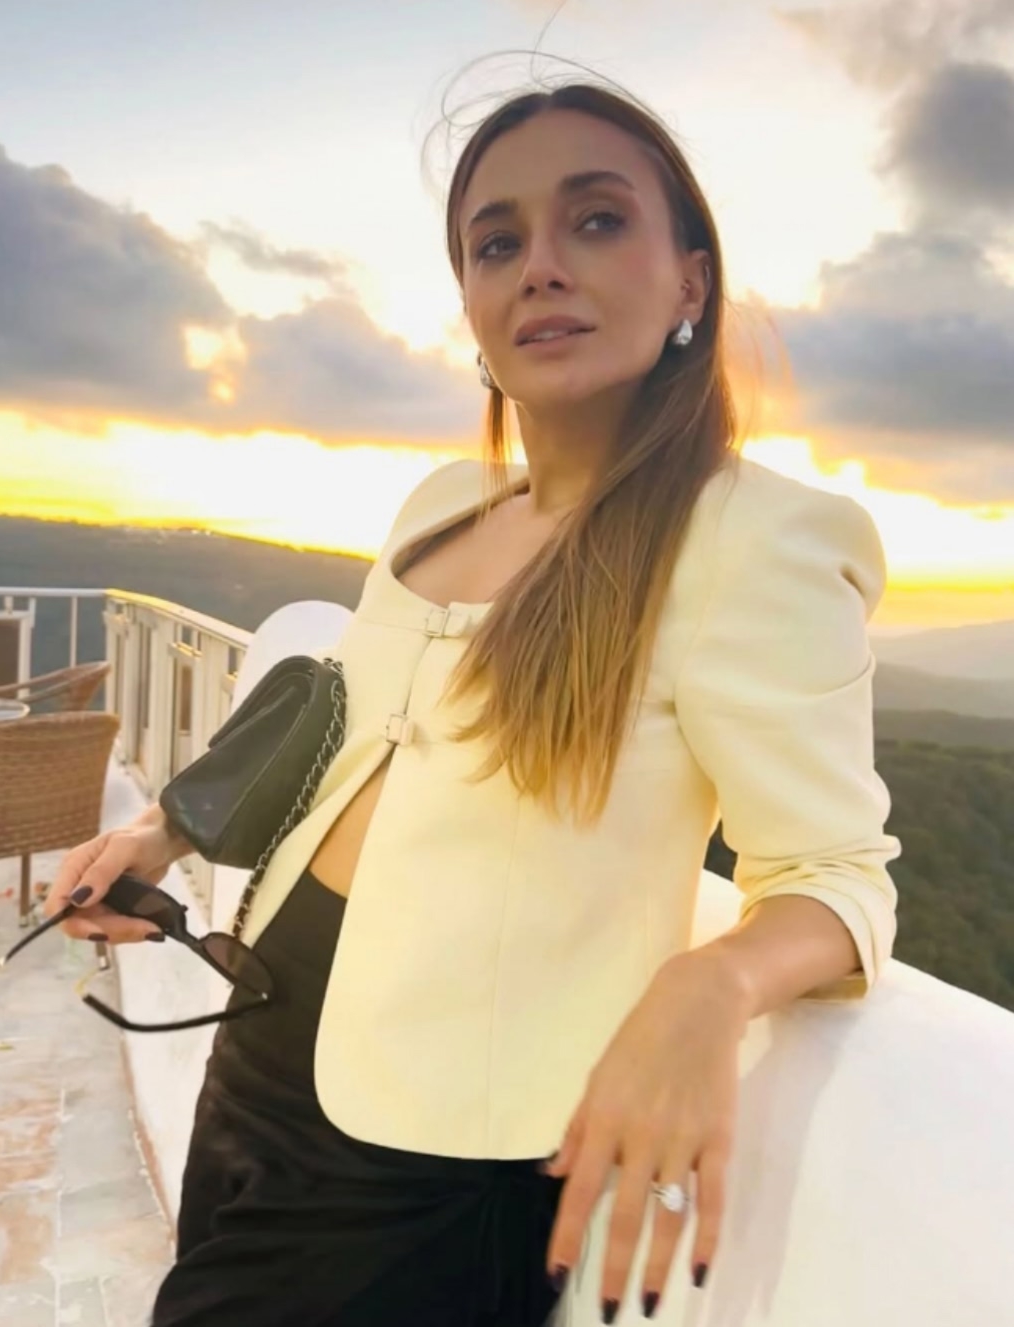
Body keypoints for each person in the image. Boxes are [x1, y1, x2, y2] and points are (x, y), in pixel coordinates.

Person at [46, 74, 901, 1327]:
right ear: (472, 310)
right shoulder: (439, 507)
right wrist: (160, 835)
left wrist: (709, 987)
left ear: (691, 283)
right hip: (263, 1041)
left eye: (596, 220)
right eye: (497, 243)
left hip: (433, 1160)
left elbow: (838, 874)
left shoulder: (753, 540)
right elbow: (333, 722)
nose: (540, 266)